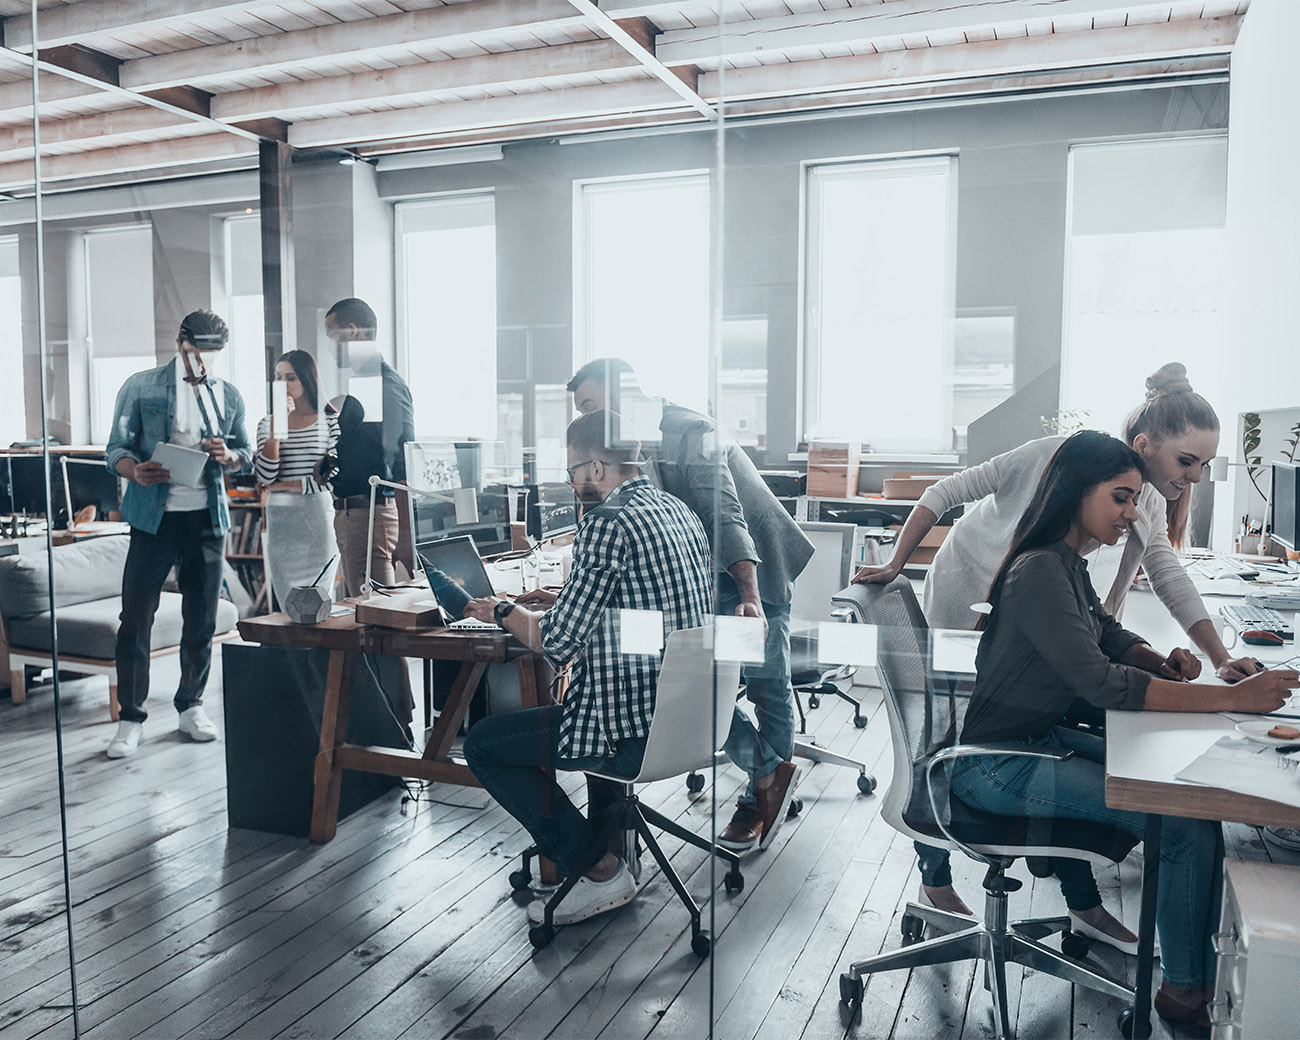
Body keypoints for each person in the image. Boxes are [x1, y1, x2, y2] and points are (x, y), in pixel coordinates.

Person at [854, 362, 1259, 935]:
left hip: (1041, 630)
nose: (1193, 478)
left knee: (1047, 725)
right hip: (968, 598)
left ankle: (1081, 895)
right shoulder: (1060, 481)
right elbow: (945, 492)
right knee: (943, 734)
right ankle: (937, 875)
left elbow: (1159, 575)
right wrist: (897, 563)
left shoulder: (1117, 515)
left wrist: (1213, 659)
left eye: (1203, 466)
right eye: (1185, 462)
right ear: (1145, 446)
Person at [948, 430, 1298, 1032]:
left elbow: (1106, 634)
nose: (1132, 513)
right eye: (1120, 498)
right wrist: (1228, 697)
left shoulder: (1062, 563)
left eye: (1135, 499)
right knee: (1181, 819)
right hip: (995, 765)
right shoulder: (1038, 570)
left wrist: (1160, 660)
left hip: (1033, 743)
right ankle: (1185, 992)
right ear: (1074, 492)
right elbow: (1101, 683)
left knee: (1183, 797)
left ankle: (1195, 972)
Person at [461, 410, 713, 926]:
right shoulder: (678, 511)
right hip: (687, 721)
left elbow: (555, 642)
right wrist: (560, 602)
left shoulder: (607, 523)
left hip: (632, 732)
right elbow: (644, 612)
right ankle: (601, 856)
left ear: (597, 468)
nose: (572, 482)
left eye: (573, 471)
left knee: (484, 745)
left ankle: (596, 866)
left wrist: (503, 611)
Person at [560, 358, 814, 853]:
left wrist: (750, 598)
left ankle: (761, 799)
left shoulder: (691, 431)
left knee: (764, 683)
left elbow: (726, 514)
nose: (588, 419)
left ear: (624, 392)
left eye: (590, 405)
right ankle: (771, 775)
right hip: (698, 571)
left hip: (755, 565)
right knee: (690, 681)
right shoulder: (622, 449)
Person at [103, 309, 253, 760]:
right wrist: (135, 470)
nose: (201, 365)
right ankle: (130, 719)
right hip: (154, 518)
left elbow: (245, 454)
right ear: (179, 342)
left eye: (210, 357)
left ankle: (191, 705)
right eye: (194, 354)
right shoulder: (140, 385)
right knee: (135, 619)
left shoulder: (227, 395)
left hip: (207, 518)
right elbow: (115, 448)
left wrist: (228, 454)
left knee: (202, 617)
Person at [318, 298, 415, 598]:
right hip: (353, 515)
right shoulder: (363, 383)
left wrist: (407, 536)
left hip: (369, 516)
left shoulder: (385, 383)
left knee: (375, 621)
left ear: (353, 331)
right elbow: (367, 452)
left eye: (333, 336)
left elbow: (402, 459)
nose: (331, 346)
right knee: (358, 616)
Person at [254, 350, 341, 609]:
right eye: (278, 377)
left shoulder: (331, 423)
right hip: (281, 524)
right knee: (288, 606)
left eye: (290, 378)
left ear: (307, 379)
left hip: (317, 522)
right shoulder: (267, 424)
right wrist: (278, 428)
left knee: (319, 602)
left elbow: (332, 477)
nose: (283, 385)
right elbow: (265, 475)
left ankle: (321, 652)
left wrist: (283, 485)